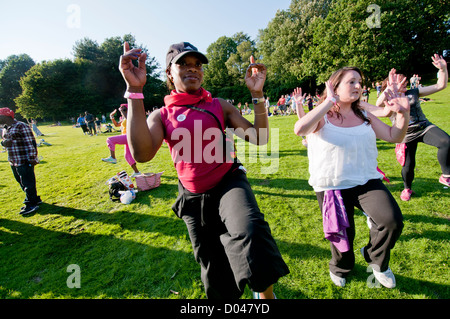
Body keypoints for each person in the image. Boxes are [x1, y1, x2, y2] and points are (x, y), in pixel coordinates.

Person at [119, 41, 289, 299]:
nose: (193, 69)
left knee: (251, 232)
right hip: (193, 196)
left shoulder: (219, 105)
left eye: (197, 64)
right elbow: (142, 155)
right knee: (214, 269)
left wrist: (257, 95)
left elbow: (260, 137)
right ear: (169, 73)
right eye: (183, 64)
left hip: (228, 182)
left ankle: (265, 296)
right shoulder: (162, 115)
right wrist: (134, 89)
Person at [294, 66, 410, 288]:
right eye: (352, 82)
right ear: (335, 86)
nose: (358, 86)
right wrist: (328, 102)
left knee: (391, 221)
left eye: (359, 82)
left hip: (366, 180)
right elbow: (300, 129)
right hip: (331, 185)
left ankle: (376, 260)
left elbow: (393, 135)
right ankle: (341, 267)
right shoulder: (324, 115)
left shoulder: (364, 114)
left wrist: (403, 115)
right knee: (342, 235)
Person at [375, 55, 449, 201]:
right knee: (409, 165)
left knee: (446, 141)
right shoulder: (388, 98)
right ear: (390, 83)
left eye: (405, 81)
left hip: (423, 127)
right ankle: (407, 188)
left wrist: (443, 69)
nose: (403, 83)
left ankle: (446, 175)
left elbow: (441, 85)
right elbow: (377, 105)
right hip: (405, 134)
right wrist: (389, 90)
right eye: (399, 81)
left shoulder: (413, 92)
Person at [0, 108, 42, 215]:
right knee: (21, 181)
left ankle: (31, 204)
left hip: (24, 159)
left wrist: (32, 158)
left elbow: (30, 143)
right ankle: (35, 199)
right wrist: (4, 144)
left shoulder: (21, 126)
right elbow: (4, 142)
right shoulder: (5, 128)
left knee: (28, 182)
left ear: (6, 116)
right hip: (13, 160)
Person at [101, 104, 141, 177]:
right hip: (126, 137)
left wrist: (123, 112)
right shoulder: (123, 118)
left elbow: (129, 121)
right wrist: (112, 117)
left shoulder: (130, 115)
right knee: (127, 155)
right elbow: (116, 125)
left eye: (123, 108)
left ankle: (112, 157)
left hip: (129, 136)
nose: (121, 109)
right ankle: (137, 172)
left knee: (110, 140)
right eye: (121, 108)